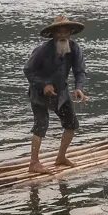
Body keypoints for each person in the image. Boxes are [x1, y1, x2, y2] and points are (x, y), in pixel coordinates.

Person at [24, 14, 88, 175]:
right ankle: (34, 163)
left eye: (66, 32)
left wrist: (79, 88)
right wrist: (44, 85)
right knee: (41, 125)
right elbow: (28, 70)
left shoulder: (74, 48)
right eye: (59, 33)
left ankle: (61, 157)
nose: (62, 35)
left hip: (62, 93)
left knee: (72, 124)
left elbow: (80, 71)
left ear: (70, 33)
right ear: (53, 34)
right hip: (39, 94)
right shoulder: (42, 50)